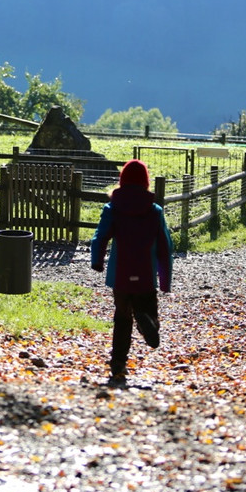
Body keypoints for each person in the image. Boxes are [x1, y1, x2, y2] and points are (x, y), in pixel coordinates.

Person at [90, 159, 172, 385]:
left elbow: (100, 236)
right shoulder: (154, 210)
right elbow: (165, 246)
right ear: (146, 182)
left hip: (120, 272)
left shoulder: (113, 208)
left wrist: (97, 260)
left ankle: (118, 363)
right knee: (147, 306)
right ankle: (148, 323)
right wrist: (165, 280)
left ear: (122, 181)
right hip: (145, 272)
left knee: (122, 317)